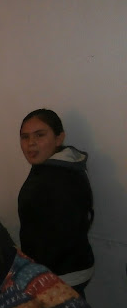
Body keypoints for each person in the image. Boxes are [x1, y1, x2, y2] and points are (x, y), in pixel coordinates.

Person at [18, 108, 95, 296]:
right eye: (25, 137)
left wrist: (35, 274)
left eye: (40, 135)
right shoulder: (55, 166)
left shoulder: (57, 177)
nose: (31, 143)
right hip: (69, 266)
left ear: (59, 138)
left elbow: (62, 235)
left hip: (62, 272)